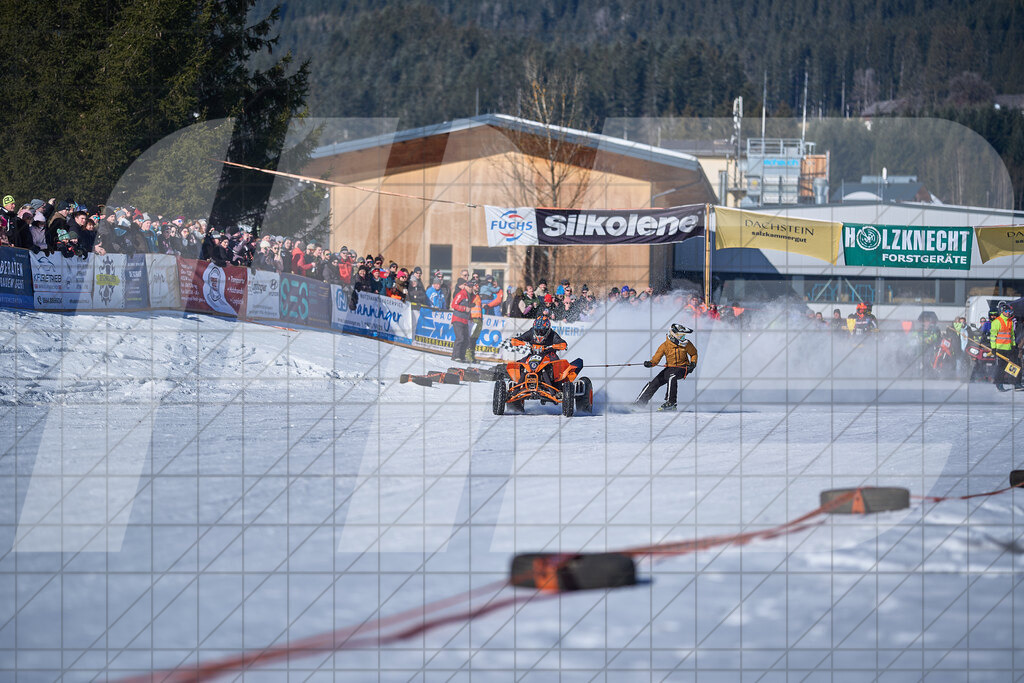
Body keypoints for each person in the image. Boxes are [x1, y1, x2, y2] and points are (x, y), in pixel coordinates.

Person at [635, 323, 698, 411]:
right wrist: (650, 363)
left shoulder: (687, 344)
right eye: (681, 336)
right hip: (670, 368)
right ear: (673, 335)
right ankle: (640, 403)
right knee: (654, 383)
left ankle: (671, 403)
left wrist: (693, 364)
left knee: (672, 376)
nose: (683, 339)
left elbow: (694, 353)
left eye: (684, 336)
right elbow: (655, 360)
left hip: (683, 368)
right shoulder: (664, 346)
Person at [507, 315, 569, 388]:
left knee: (558, 366)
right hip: (533, 355)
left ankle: (558, 388)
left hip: (549, 355)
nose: (539, 333)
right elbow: (517, 339)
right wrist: (520, 342)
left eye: (542, 331)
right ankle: (516, 387)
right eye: (537, 330)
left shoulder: (552, 334)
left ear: (547, 330)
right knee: (520, 364)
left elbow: (563, 343)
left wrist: (556, 346)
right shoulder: (531, 332)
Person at [990, 300, 1019, 391]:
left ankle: (1016, 383)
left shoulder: (1010, 322)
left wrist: (1014, 345)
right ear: (1002, 311)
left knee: (1014, 366)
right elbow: (992, 336)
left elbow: (1012, 335)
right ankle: (999, 384)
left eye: (1009, 312)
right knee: (1001, 367)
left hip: (1009, 348)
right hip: (1000, 349)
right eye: (1007, 312)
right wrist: (993, 348)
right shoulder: (996, 322)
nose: (1008, 313)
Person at [450, 279, 474, 362]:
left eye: (472, 287)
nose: (471, 288)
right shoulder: (461, 294)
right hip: (457, 319)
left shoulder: (469, 295)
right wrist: (464, 308)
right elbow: (453, 304)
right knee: (460, 338)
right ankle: (455, 356)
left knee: (466, 339)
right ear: (466, 286)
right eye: (469, 286)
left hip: (464, 320)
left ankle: (462, 356)